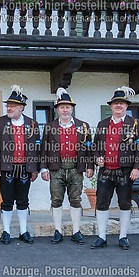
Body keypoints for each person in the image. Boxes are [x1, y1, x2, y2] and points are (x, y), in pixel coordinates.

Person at [91, 86, 139, 250]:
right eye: (115, 103)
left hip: (125, 170)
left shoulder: (136, 124)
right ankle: (101, 237)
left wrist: (137, 167)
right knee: (101, 202)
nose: (118, 106)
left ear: (126, 106)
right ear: (111, 106)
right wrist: (97, 158)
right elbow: (95, 146)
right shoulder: (103, 123)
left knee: (125, 203)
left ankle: (123, 236)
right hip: (105, 170)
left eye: (121, 103)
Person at [40, 88, 94, 245]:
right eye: (62, 107)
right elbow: (44, 149)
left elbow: (89, 148)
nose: (65, 109)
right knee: (56, 200)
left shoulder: (83, 126)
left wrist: (90, 166)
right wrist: (44, 168)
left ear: (72, 108)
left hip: (76, 169)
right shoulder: (50, 127)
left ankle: (76, 231)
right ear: (57, 109)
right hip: (56, 169)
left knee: (75, 200)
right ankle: (58, 231)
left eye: (67, 107)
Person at [0, 85, 40, 245]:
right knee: (7, 201)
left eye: (12, 106)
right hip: (6, 168)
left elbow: (36, 148)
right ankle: (6, 231)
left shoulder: (32, 124)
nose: (8, 108)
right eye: (8, 105)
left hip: (25, 168)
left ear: (21, 107)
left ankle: (24, 231)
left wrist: (35, 168)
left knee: (23, 200)